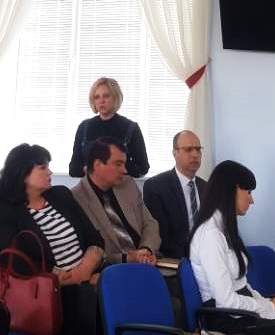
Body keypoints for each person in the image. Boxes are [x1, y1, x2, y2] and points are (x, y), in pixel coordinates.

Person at [0, 143, 105, 335]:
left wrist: (85, 271)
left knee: (117, 287)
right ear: (22, 174)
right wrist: (68, 279)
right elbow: (15, 264)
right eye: (43, 168)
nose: (50, 172)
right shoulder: (1, 215)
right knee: (86, 301)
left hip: (86, 276)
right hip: (46, 291)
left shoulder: (61, 196)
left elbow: (95, 239)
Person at [190, 160, 275, 335]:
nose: (251, 200)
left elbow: (243, 286)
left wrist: (270, 304)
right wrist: (271, 306)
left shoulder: (224, 229)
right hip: (227, 320)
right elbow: (225, 301)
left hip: (241, 314)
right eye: (248, 191)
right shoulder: (210, 235)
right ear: (233, 190)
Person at [72, 136, 160, 265]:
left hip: (147, 262)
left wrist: (146, 249)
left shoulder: (128, 184)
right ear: (97, 164)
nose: (124, 170)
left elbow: (150, 223)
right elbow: (89, 254)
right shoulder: (76, 199)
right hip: (111, 270)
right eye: (118, 164)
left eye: (124, 164)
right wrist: (127, 258)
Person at [143, 130, 207, 258]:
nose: (195, 154)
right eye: (188, 149)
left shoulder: (207, 187)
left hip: (207, 255)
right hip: (175, 260)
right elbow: (160, 236)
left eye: (198, 149)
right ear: (174, 152)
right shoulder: (156, 187)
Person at [69, 77, 149, 178]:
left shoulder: (130, 128)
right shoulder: (84, 127)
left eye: (106, 96)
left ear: (115, 98)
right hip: (90, 186)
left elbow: (142, 168)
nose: (101, 101)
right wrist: (92, 169)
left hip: (120, 185)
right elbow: (73, 169)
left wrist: (115, 167)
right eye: (97, 97)